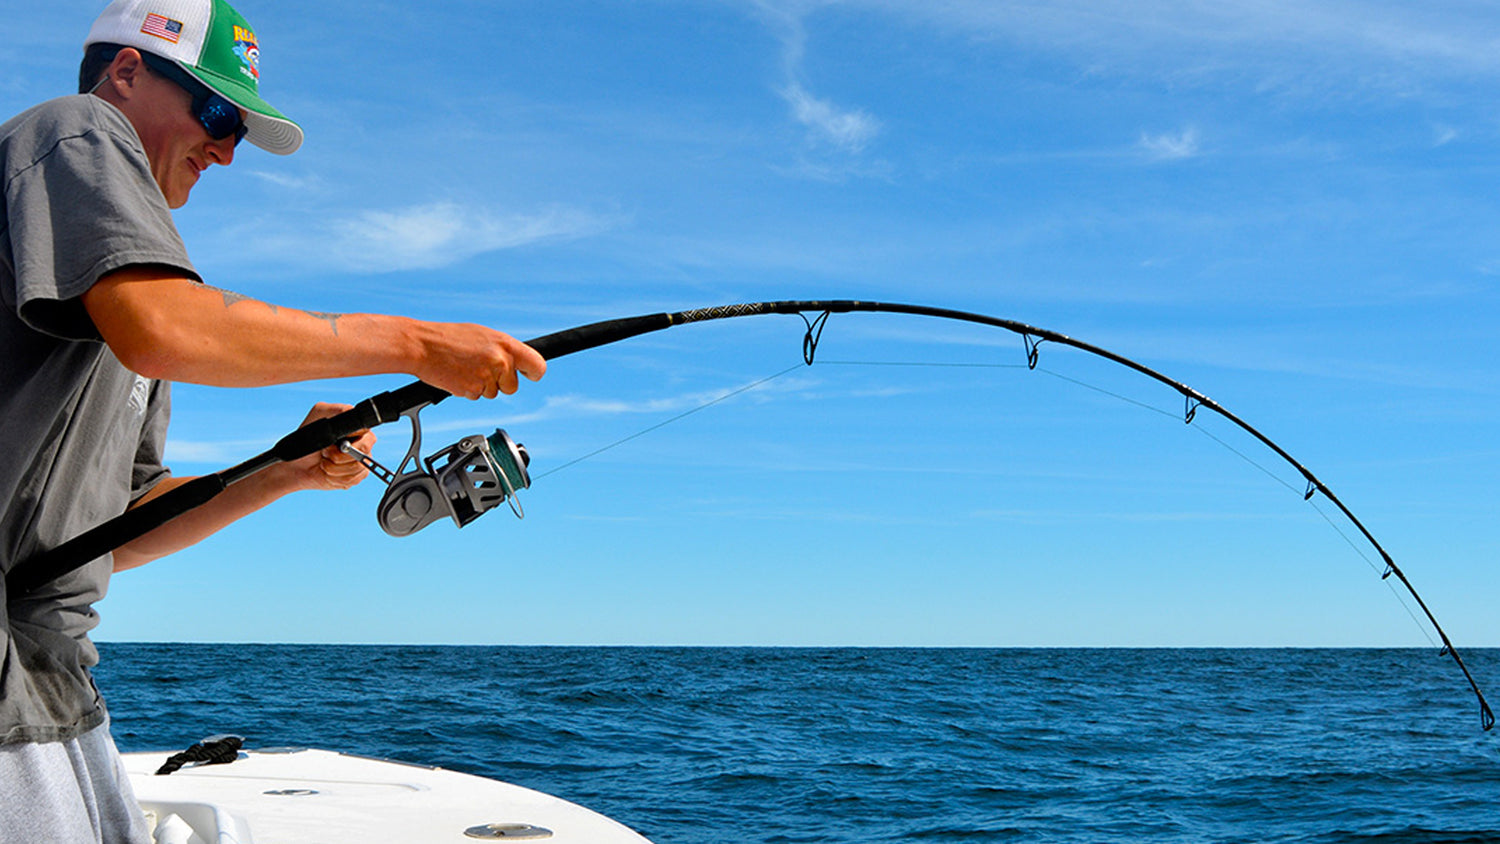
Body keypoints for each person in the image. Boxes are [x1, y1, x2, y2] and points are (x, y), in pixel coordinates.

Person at [0, 0, 546, 839]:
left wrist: (282, 470)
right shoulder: (74, 131)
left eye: (239, 131)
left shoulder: (136, 308)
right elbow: (170, 330)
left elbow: (119, 530)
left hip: (56, 685)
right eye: (216, 112)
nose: (225, 147)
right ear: (126, 73)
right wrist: (414, 344)